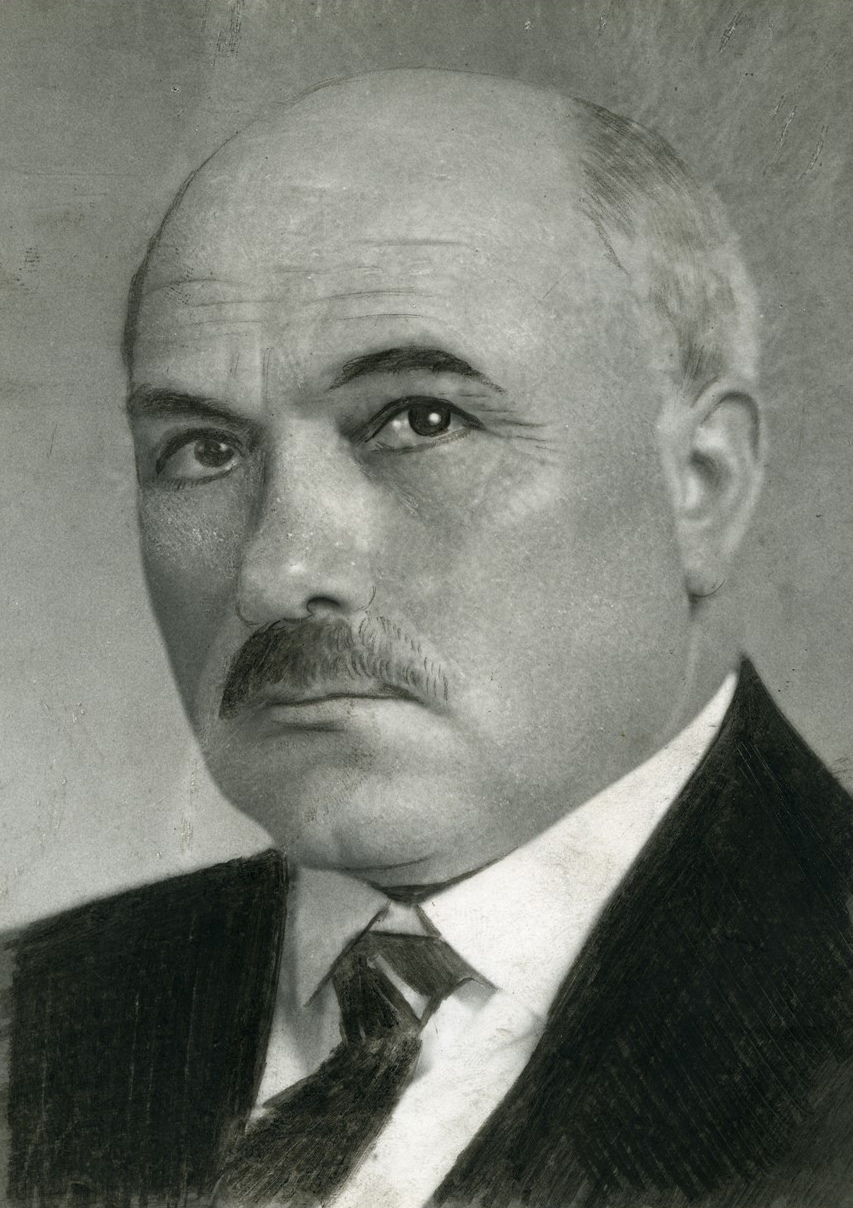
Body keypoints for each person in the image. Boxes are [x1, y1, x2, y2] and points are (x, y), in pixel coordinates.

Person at [3, 69, 853, 1208]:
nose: (276, 573)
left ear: (698, 482)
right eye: (204, 449)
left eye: (420, 419)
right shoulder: (30, 1019)